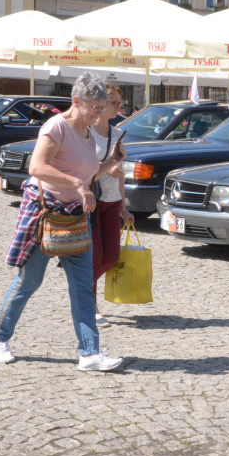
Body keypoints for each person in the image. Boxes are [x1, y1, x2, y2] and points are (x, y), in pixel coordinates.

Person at [0, 73, 124, 372]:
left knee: (83, 286)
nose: (99, 114)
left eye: (104, 107)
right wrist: (77, 182)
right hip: (44, 214)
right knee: (29, 281)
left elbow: (87, 175)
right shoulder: (56, 126)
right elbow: (36, 166)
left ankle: (89, 354)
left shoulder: (88, 133)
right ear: (76, 101)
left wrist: (108, 165)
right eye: (95, 107)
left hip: (76, 216)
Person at [91, 84, 134, 328]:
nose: (119, 106)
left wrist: (123, 206)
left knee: (111, 257)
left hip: (111, 200)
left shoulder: (118, 133)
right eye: (114, 102)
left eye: (119, 102)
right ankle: (91, 305)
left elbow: (121, 173)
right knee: (96, 258)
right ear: (100, 104)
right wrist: (107, 165)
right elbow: (83, 168)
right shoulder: (86, 132)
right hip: (91, 202)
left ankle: (81, 288)